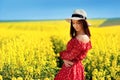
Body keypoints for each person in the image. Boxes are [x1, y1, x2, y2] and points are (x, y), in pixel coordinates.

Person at [54, 9, 92, 80]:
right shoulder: (79, 35)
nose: (75, 25)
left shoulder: (82, 38)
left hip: (72, 69)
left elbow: (71, 56)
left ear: (84, 23)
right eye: (73, 23)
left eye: (78, 23)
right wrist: (65, 59)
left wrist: (62, 55)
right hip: (71, 66)